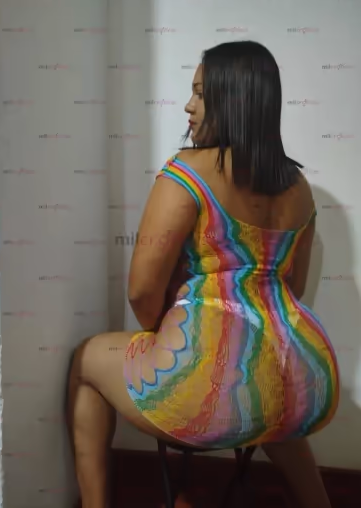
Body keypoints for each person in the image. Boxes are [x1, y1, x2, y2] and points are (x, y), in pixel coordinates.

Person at [67, 41, 339, 508]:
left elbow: (142, 291)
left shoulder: (187, 172)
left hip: (202, 394)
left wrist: (164, 338)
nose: (188, 106)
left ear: (232, 100)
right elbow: (293, 294)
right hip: (304, 380)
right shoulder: (299, 188)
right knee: (265, 388)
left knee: (85, 361)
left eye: (199, 93)